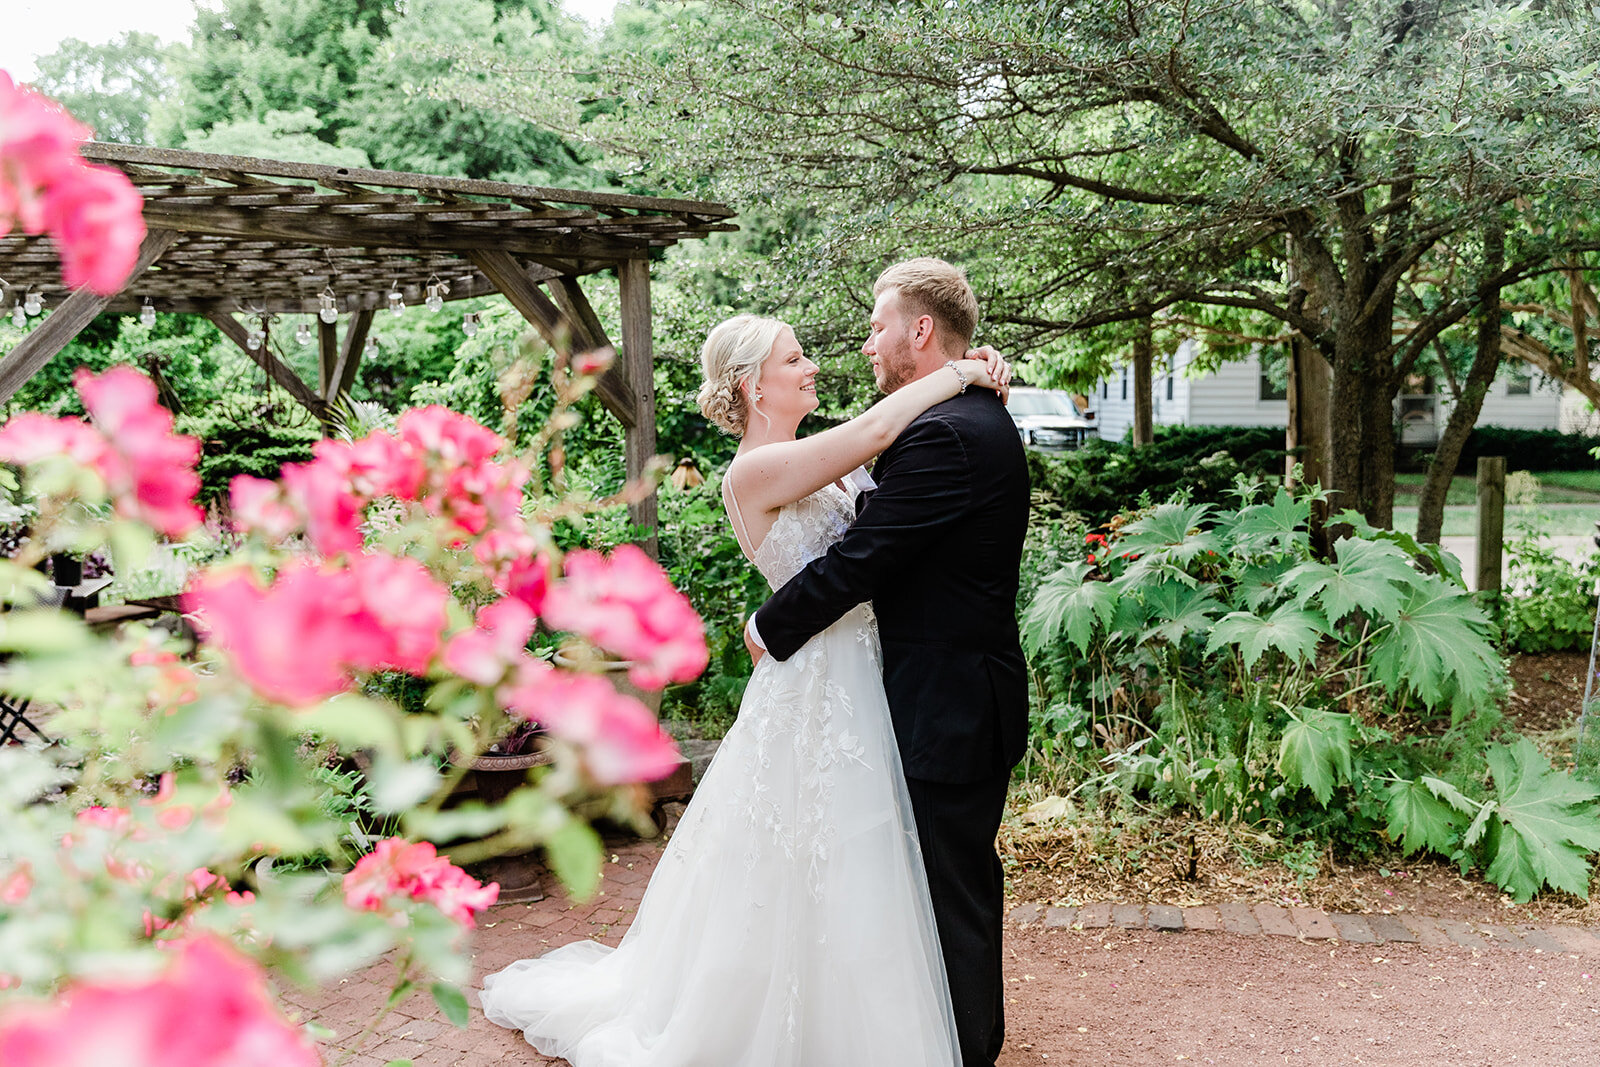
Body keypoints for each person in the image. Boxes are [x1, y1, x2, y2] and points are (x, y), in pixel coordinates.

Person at [479, 308, 1011, 1066]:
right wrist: (960, 371)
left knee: (859, 861)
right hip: (814, 682)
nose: (812, 368)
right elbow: (872, 434)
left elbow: (887, 467)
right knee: (797, 857)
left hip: (862, 675)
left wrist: (972, 378)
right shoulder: (756, 468)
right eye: (795, 360)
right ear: (753, 386)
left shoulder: (806, 453)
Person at [749, 258, 1030, 1067]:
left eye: (878, 325)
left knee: (952, 889)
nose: (865, 343)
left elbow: (865, 558)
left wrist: (772, 624)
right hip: (939, 694)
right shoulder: (960, 412)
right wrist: (976, 367)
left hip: (948, 704)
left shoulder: (947, 433)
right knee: (932, 880)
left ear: (919, 329)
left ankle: (969, 1048)